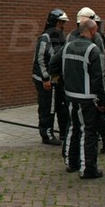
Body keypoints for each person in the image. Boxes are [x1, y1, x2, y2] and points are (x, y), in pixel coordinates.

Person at [50, 18, 105, 179]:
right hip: (87, 98)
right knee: (88, 132)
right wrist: (103, 102)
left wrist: (64, 82)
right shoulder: (93, 50)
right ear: (92, 30)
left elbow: (53, 66)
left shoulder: (67, 46)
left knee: (73, 127)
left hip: (70, 95)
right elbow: (98, 79)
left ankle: (70, 162)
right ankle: (88, 168)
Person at [67, 8, 105, 153]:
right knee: (102, 113)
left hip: (75, 88)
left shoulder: (71, 36)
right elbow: (100, 65)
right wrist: (103, 91)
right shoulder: (95, 37)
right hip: (92, 87)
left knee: (76, 122)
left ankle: (74, 152)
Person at [32, 8, 69, 145]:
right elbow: (40, 59)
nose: (62, 25)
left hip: (57, 79)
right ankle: (47, 135)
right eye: (60, 22)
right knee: (47, 107)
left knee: (62, 107)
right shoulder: (45, 37)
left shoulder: (60, 36)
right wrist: (45, 79)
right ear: (54, 22)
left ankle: (64, 133)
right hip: (45, 80)